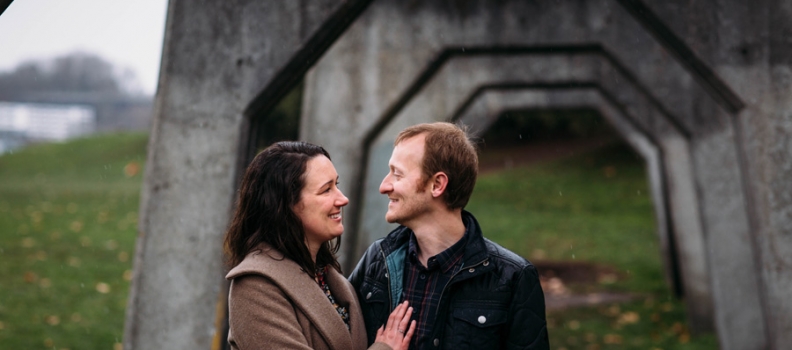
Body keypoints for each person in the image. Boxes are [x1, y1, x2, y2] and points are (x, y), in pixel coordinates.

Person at [349, 122, 550, 349]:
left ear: (437, 184)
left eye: (397, 174)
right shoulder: (377, 260)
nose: (384, 186)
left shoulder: (513, 278)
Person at [224, 141, 416, 350]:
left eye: (337, 185)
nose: (342, 199)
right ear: (285, 205)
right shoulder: (255, 285)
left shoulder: (329, 278)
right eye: (326, 190)